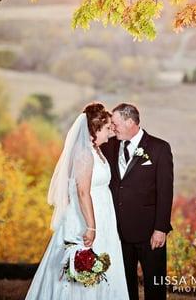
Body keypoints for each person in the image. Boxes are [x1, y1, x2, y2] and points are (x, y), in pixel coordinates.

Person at [25, 103, 129, 300]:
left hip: (103, 213)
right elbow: (82, 192)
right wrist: (91, 227)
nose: (111, 132)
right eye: (107, 128)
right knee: (82, 266)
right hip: (87, 216)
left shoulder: (96, 151)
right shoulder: (84, 154)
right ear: (95, 129)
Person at [101, 103, 174, 300]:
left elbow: (165, 192)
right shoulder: (109, 147)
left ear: (130, 122)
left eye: (115, 124)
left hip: (150, 232)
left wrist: (161, 228)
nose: (113, 128)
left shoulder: (159, 148)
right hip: (118, 232)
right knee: (124, 286)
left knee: (155, 284)